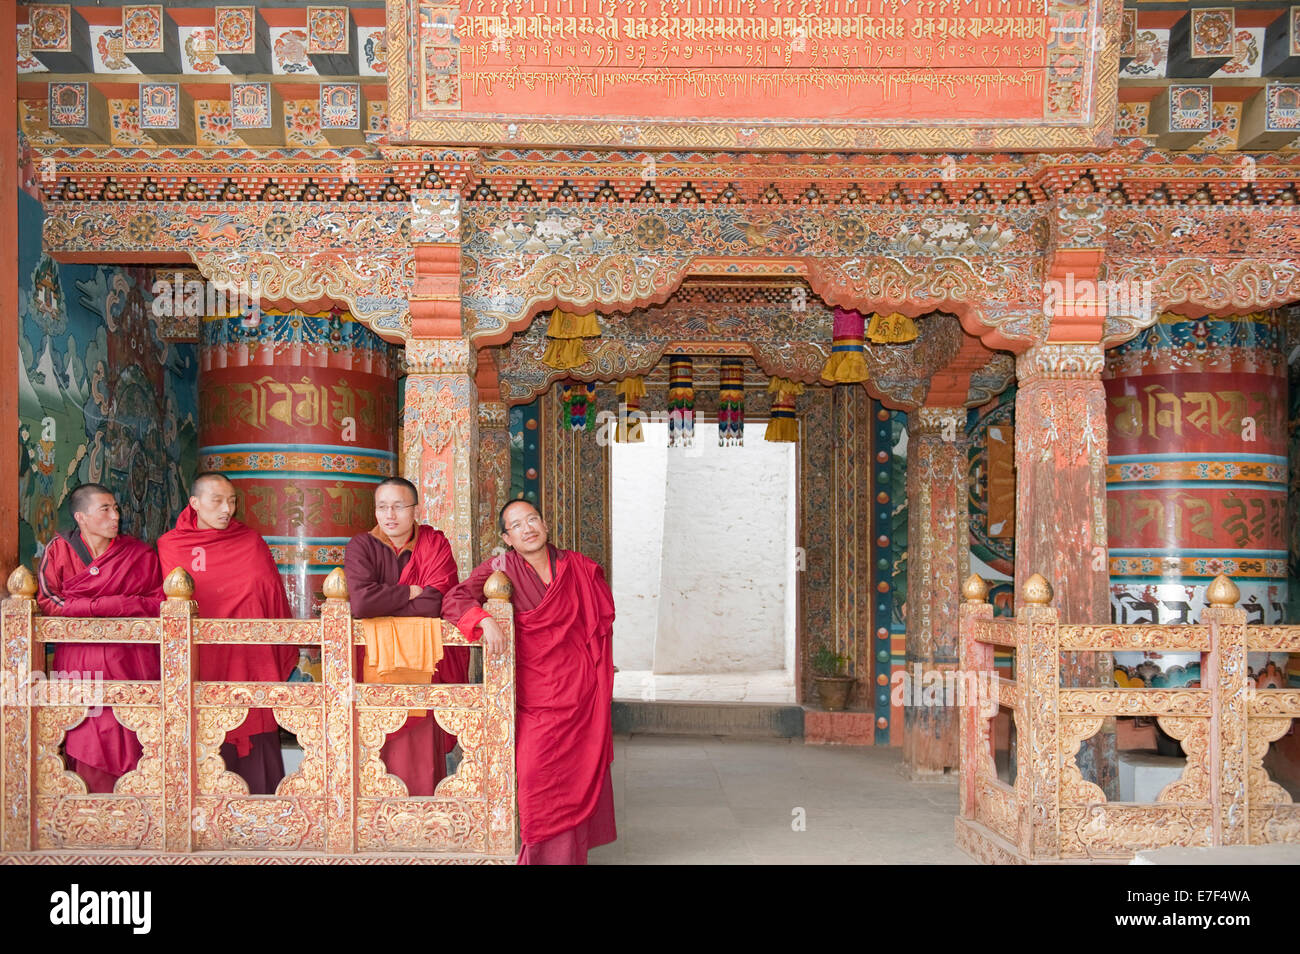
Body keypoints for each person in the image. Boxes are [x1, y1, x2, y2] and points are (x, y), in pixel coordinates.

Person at [443, 499, 616, 865]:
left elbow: (600, 625)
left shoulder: (578, 568)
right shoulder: (500, 568)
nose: (528, 528)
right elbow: (455, 597)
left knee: (577, 777)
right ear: (508, 537)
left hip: (580, 694)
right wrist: (482, 619)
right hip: (535, 696)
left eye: (533, 519)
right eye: (517, 525)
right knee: (538, 781)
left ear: (545, 525)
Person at [156, 471, 297, 794]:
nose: (226, 509)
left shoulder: (249, 541)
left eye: (232, 501)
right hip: (200, 658)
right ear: (194, 503)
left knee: (253, 722)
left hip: (249, 656)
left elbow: (272, 597)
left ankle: (258, 808)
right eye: (217, 501)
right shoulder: (171, 545)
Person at [36, 483, 166, 793]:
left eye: (116, 508)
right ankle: (87, 809)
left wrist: (114, 605)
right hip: (81, 658)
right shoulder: (60, 550)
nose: (115, 516)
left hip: (130, 658)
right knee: (87, 729)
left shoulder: (138, 554)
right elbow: (47, 601)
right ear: (81, 517)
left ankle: (134, 808)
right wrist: (103, 606)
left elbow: (160, 601)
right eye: (105, 509)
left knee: (130, 729)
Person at [343, 476, 467, 795]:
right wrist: (409, 592)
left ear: (415, 510)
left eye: (398, 506)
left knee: (421, 750)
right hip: (375, 665)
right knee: (377, 743)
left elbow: (435, 602)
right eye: (382, 507)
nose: (390, 515)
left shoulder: (434, 543)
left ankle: (423, 814)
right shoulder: (362, 545)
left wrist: (386, 603)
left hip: (424, 663)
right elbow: (361, 602)